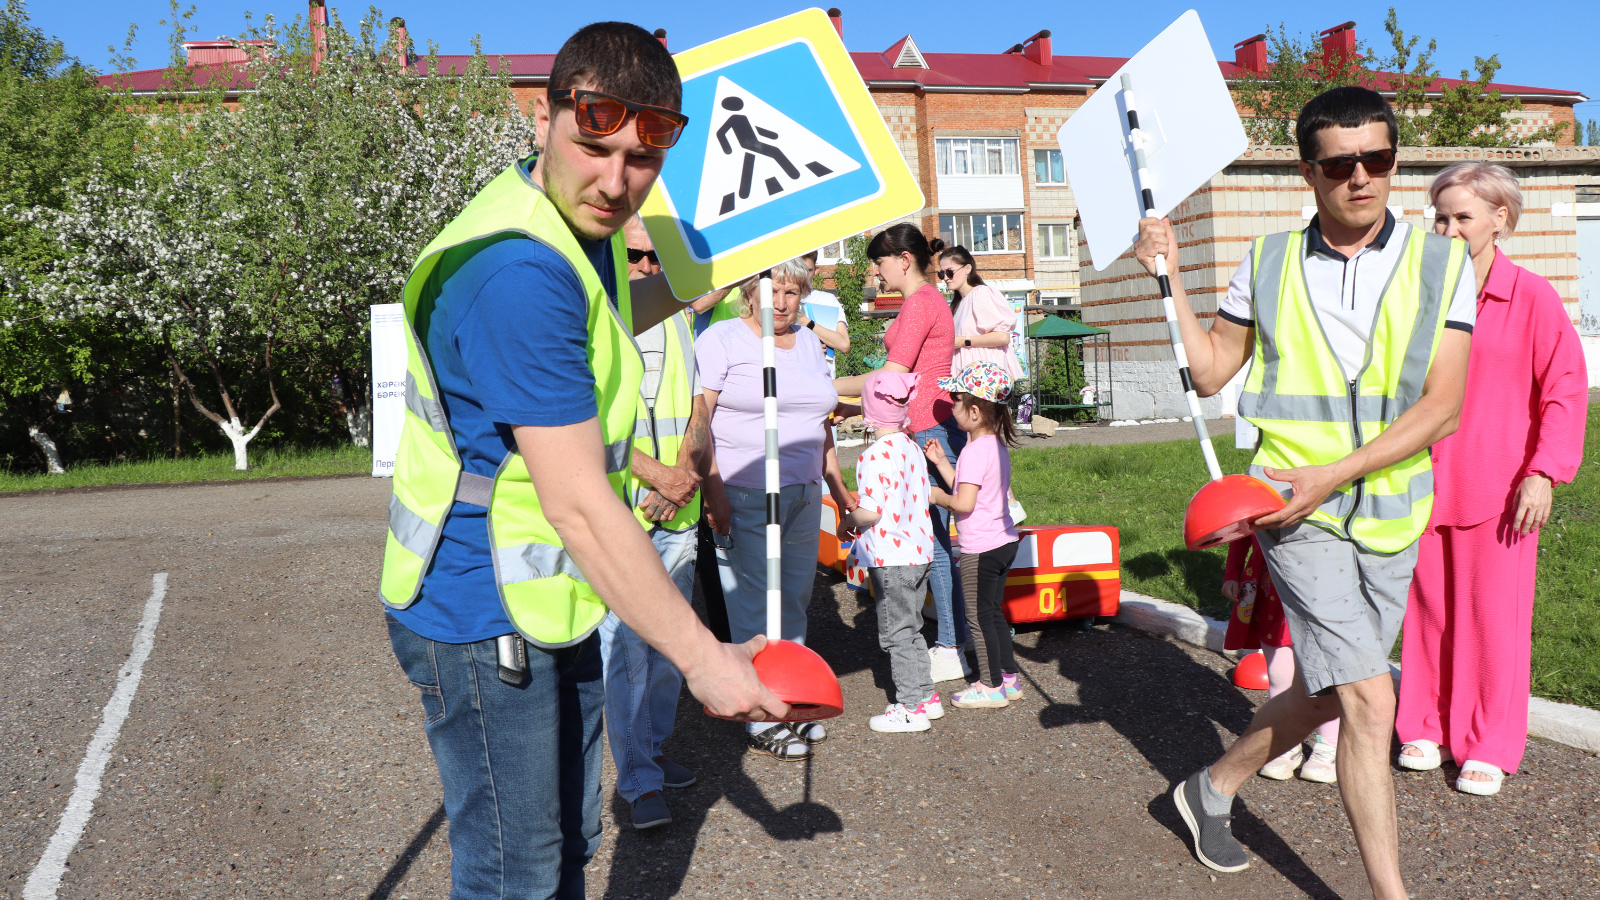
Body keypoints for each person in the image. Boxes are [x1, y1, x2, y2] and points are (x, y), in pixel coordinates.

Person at [379, 24, 783, 899]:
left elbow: (595, 327)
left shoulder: (572, 221)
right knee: (512, 875)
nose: (614, 180)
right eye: (593, 145)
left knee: (565, 848)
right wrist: (707, 659)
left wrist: (700, 282)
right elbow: (577, 503)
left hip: (548, 596)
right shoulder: (516, 272)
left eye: (641, 157)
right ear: (542, 117)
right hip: (484, 611)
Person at [1135, 86, 1474, 898]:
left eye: (1379, 159)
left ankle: (1207, 789)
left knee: (1325, 692)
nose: (1363, 177)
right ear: (1309, 171)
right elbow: (1214, 368)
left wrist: (1343, 472)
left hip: (1391, 512)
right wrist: (1171, 279)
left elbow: (1443, 405)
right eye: (1341, 163)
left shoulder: (1443, 261)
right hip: (1292, 508)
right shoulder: (1265, 260)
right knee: (1366, 698)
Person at [1395, 162, 1589, 797]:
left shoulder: (1530, 296)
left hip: (1501, 486)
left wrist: (1544, 474)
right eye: (1440, 217)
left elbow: (1564, 391)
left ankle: (1489, 742)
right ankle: (1423, 725)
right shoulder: (1417, 293)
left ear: (1499, 220)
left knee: (1492, 618)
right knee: (1426, 611)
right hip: (1422, 476)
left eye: (1462, 217)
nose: (1447, 229)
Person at [698, 258, 854, 760]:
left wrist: (840, 490)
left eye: (791, 292)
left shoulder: (809, 343)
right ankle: (756, 711)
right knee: (751, 605)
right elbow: (699, 418)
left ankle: (790, 694)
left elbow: (822, 422)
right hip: (745, 491)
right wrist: (712, 490)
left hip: (804, 491)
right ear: (750, 292)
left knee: (792, 599)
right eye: (772, 291)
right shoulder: (723, 338)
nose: (781, 303)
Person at [596, 218, 709, 831]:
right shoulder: (595, 324)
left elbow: (696, 408)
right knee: (627, 653)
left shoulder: (678, 320)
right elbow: (582, 431)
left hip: (676, 511)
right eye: (632, 257)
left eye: (654, 259)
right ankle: (637, 779)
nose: (644, 269)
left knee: (669, 651)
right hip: (624, 518)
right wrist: (655, 478)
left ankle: (655, 755)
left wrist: (683, 475)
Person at [834, 223, 968, 686]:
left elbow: (889, 377)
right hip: (924, 422)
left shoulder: (920, 303)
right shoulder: (927, 300)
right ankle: (951, 640)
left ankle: (951, 646)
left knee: (933, 542)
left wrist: (824, 390)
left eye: (879, 262)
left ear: (903, 260)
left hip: (927, 426)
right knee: (931, 539)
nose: (875, 272)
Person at [838, 371, 941, 732]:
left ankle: (910, 707)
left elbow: (872, 511)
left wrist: (846, 520)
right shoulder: (912, 448)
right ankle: (926, 696)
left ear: (867, 414)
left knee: (897, 632)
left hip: (892, 557)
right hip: (920, 552)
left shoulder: (872, 456)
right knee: (913, 627)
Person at [924, 362, 1023, 710]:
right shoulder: (994, 446)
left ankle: (989, 686)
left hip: (979, 549)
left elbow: (963, 502)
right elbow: (971, 490)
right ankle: (1008, 677)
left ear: (975, 411)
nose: (951, 406)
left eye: (955, 399)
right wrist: (940, 463)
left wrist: (936, 496)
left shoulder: (971, 451)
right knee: (993, 612)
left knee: (977, 619)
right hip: (1004, 542)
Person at [1221, 536, 1340, 784]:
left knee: (1321, 669)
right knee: (1279, 671)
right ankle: (1286, 742)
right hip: (1270, 581)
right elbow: (1240, 524)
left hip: (1317, 579)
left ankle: (1329, 745)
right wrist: (1232, 573)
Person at [936, 242, 1021, 383]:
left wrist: (964, 341)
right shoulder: (959, 304)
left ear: (968, 268)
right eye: (942, 273)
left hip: (983, 379)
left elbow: (1002, 337)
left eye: (950, 272)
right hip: (968, 378)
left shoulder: (981, 293)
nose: (945, 277)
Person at [797, 250, 851, 367]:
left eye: (808, 270)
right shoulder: (781, 302)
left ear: (816, 270)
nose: (803, 275)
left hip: (826, 379)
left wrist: (806, 322)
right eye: (799, 269)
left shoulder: (827, 300)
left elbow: (844, 344)